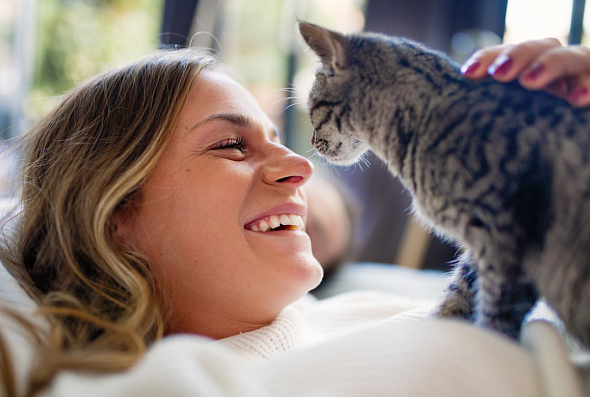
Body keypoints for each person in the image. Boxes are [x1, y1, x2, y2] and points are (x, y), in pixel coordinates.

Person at [1, 37, 589, 396]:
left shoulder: (360, 316)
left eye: (281, 139)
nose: (300, 169)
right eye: (231, 145)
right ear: (114, 215)